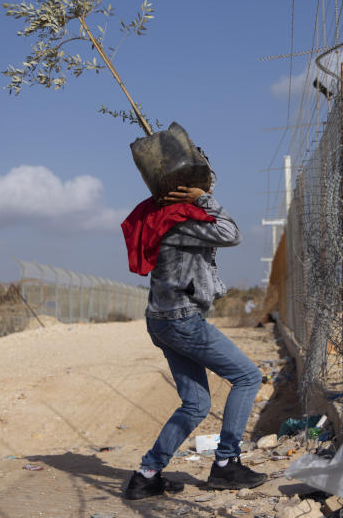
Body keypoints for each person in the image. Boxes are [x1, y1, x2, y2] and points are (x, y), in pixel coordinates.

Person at [120, 181, 267, 501]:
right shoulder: (181, 221)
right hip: (182, 320)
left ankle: (146, 476)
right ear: (183, 187)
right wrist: (204, 199)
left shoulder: (162, 216)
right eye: (205, 181)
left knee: (196, 404)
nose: (211, 185)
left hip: (161, 319)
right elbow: (231, 233)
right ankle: (227, 462)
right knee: (247, 376)